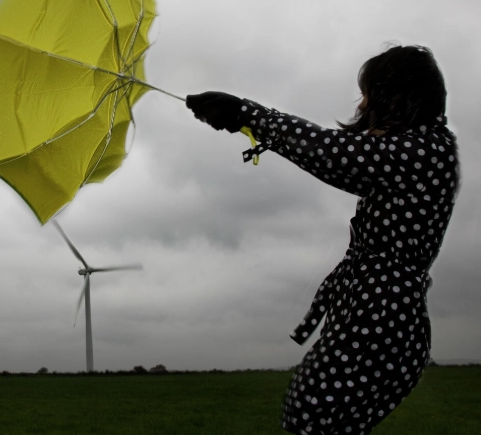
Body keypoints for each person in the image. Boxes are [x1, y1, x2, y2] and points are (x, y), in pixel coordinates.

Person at [186, 45, 458, 434]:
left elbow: (331, 154)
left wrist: (245, 113)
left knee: (310, 419)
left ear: (395, 96)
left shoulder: (426, 150)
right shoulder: (422, 148)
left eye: (369, 93)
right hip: (371, 317)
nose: (362, 103)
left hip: (381, 323)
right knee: (312, 417)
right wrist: (244, 117)